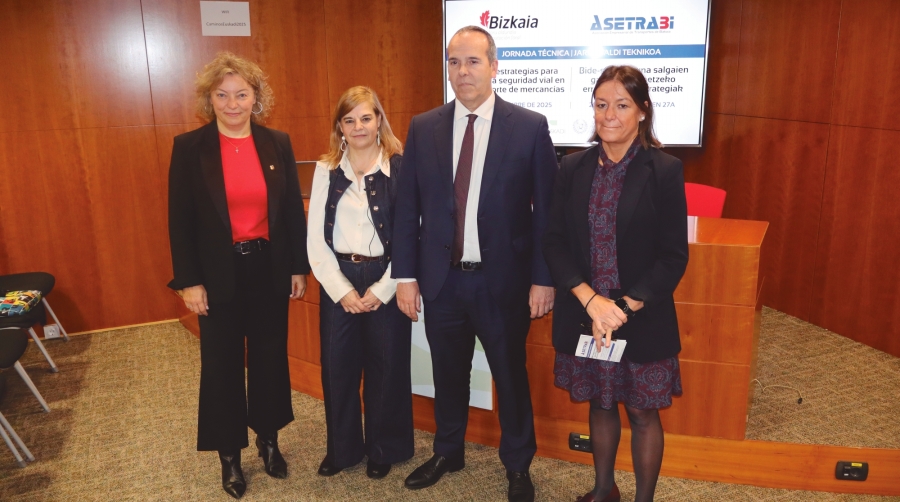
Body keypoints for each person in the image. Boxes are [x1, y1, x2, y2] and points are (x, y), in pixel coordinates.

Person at [392, 26, 557, 502]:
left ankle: (518, 464)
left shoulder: (528, 126)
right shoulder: (424, 126)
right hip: (441, 282)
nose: (461, 72)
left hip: (502, 284)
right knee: (448, 372)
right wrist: (406, 277)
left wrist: (543, 280)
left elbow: (547, 214)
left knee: (510, 375)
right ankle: (449, 450)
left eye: (472, 61)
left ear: (494, 66)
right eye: (453, 62)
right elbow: (408, 209)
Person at [542, 65, 689, 502]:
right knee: (600, 404)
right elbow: (553, 241)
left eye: (622, 105)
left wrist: (622, 307)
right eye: (601, 104)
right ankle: (604, 490)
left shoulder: (664, 170)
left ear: (642, 111)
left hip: (639, 317)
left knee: (642, 412)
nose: (609, 115)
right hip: (586, 314)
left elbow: (672, 256)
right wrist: (590, 301)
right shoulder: (571, 167)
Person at [167, 52, 309, 499]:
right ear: (209, 99)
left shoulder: (276, 142)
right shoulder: (189, 148)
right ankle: (229, 454)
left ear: (256, 97)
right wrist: (189, 281)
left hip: (267, 267)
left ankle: (270, 440)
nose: (232, 103)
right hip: (217, 274)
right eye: (222, 95)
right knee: (222, 364)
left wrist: (297, 267)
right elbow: (180, 220)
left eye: (241, 94)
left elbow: (289, 213)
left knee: (269, 358)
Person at [306, 86, 414, 479]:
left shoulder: (400, 167)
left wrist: (385, 289)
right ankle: (343, 450)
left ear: (379, 120)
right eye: (349, 120)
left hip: (388, 276)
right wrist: (342, 291)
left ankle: (384, 448)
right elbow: (315, 239)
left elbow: (411, 234)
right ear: (340, 126)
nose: (358, 127)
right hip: (340, 277)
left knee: (387, 368)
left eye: (366, 118)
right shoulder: (325, 170)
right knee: (337, 368)